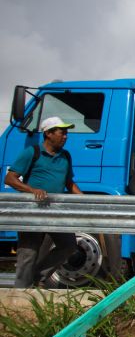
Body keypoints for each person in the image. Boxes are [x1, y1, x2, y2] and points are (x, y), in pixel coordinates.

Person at [4, 116, 83, 288]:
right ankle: (20, 293)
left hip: (55, 211)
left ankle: (37, 276)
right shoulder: (32, 152)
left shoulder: (66, 156)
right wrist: (32, 191)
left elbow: (69, 183)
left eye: (66, 133)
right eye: (62, 132)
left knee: (68, 246)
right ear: (48, 133)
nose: (66, 136)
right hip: (33, 211)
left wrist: (84, 200)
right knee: (28, 252)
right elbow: (10, 178)